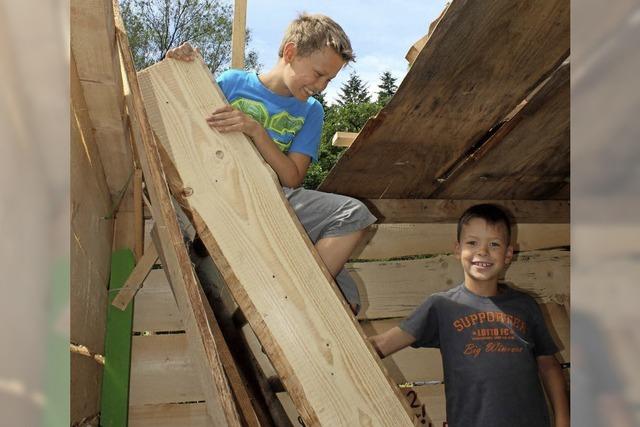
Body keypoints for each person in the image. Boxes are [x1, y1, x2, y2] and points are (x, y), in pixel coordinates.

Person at [166, 13, 376, 314]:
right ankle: (293, 298)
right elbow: (183, 122)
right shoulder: (231, 82)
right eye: (318, 74)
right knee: (353, 220)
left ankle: (298, 295)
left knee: (348, 287)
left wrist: (256, 131)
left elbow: (292, 178)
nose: (322, 86)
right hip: (218, 192)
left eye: (329, 80)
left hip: (273, 199)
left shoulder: (311, 112)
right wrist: (179, 65)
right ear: (290, 53)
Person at [369, 204, 570, 427]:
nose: (482, 252)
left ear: (508, 254)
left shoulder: (525, 305)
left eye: (494, 244)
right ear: (457, 249)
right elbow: (383, 344)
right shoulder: (442, 306)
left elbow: (548, 366)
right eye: (472, 243)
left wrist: (563, 421)